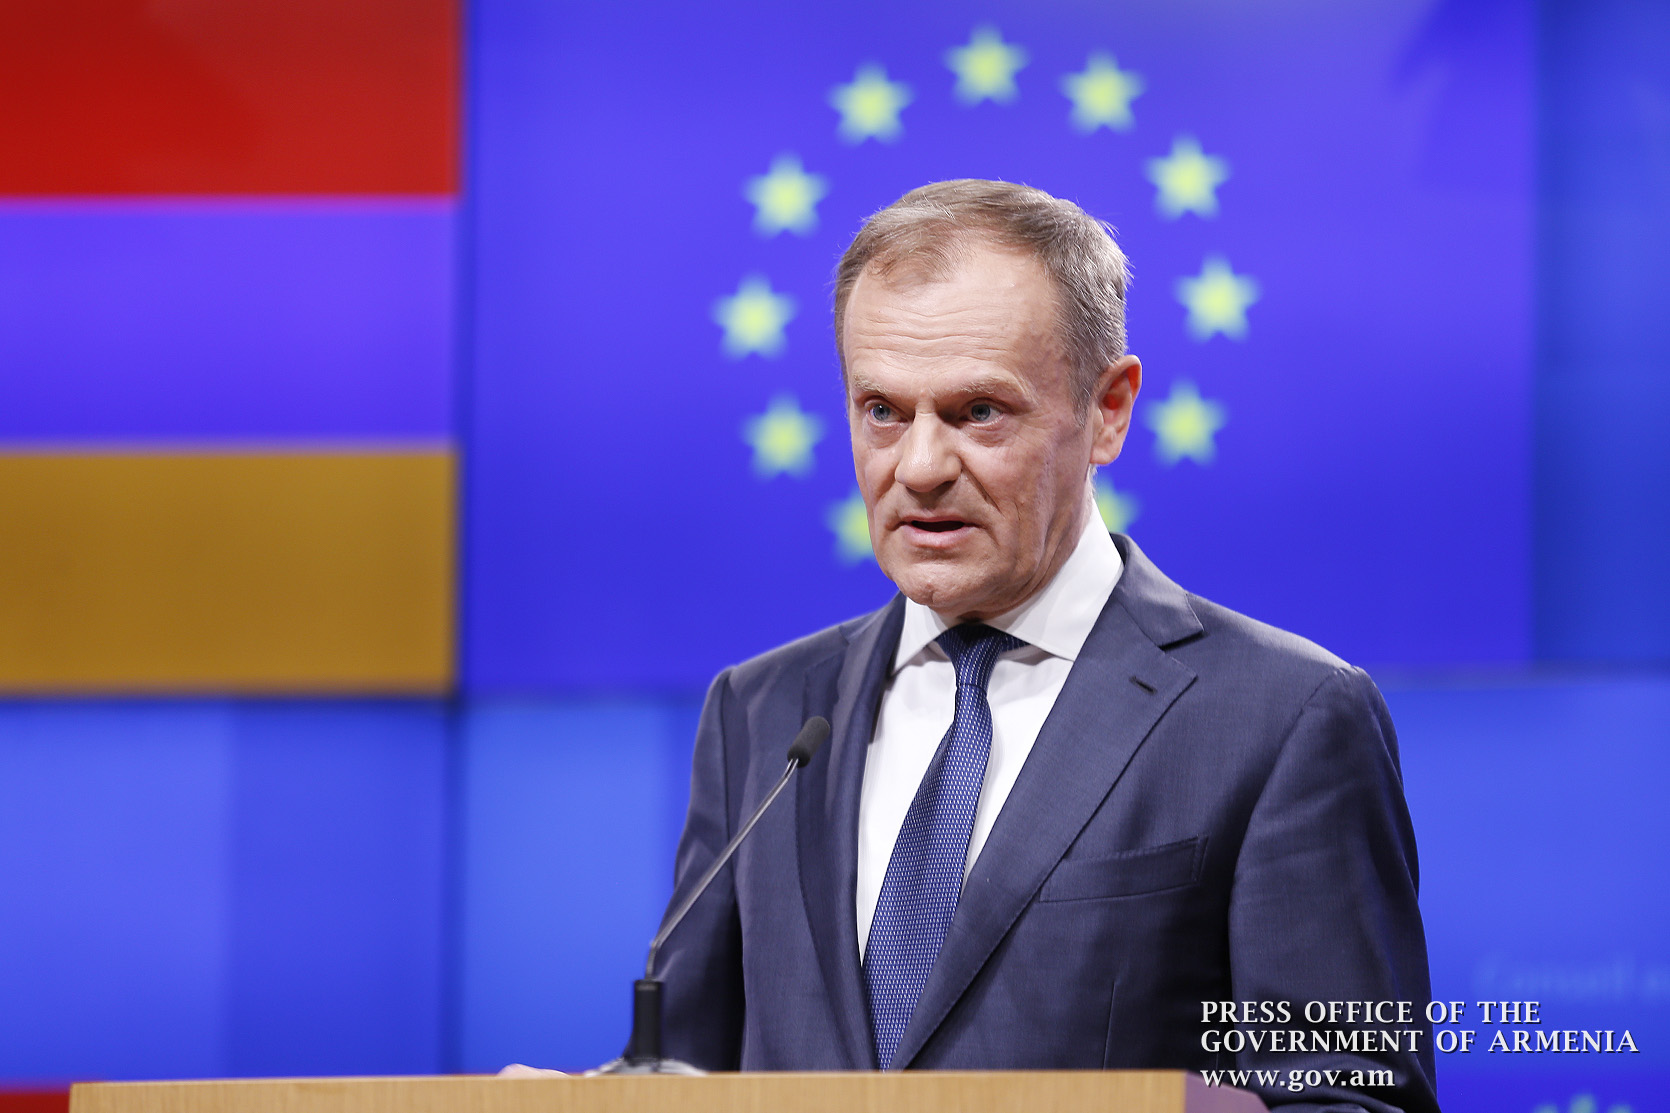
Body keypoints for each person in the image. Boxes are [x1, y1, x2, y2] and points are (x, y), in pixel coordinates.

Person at [651, 180, 1437, 1113]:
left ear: (1109, 410)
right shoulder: (761, 714)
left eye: (979, 411)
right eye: (882, 410)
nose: (919, 466)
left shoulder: (1283, 719)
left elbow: (1348, 1103)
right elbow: (678, 1079)